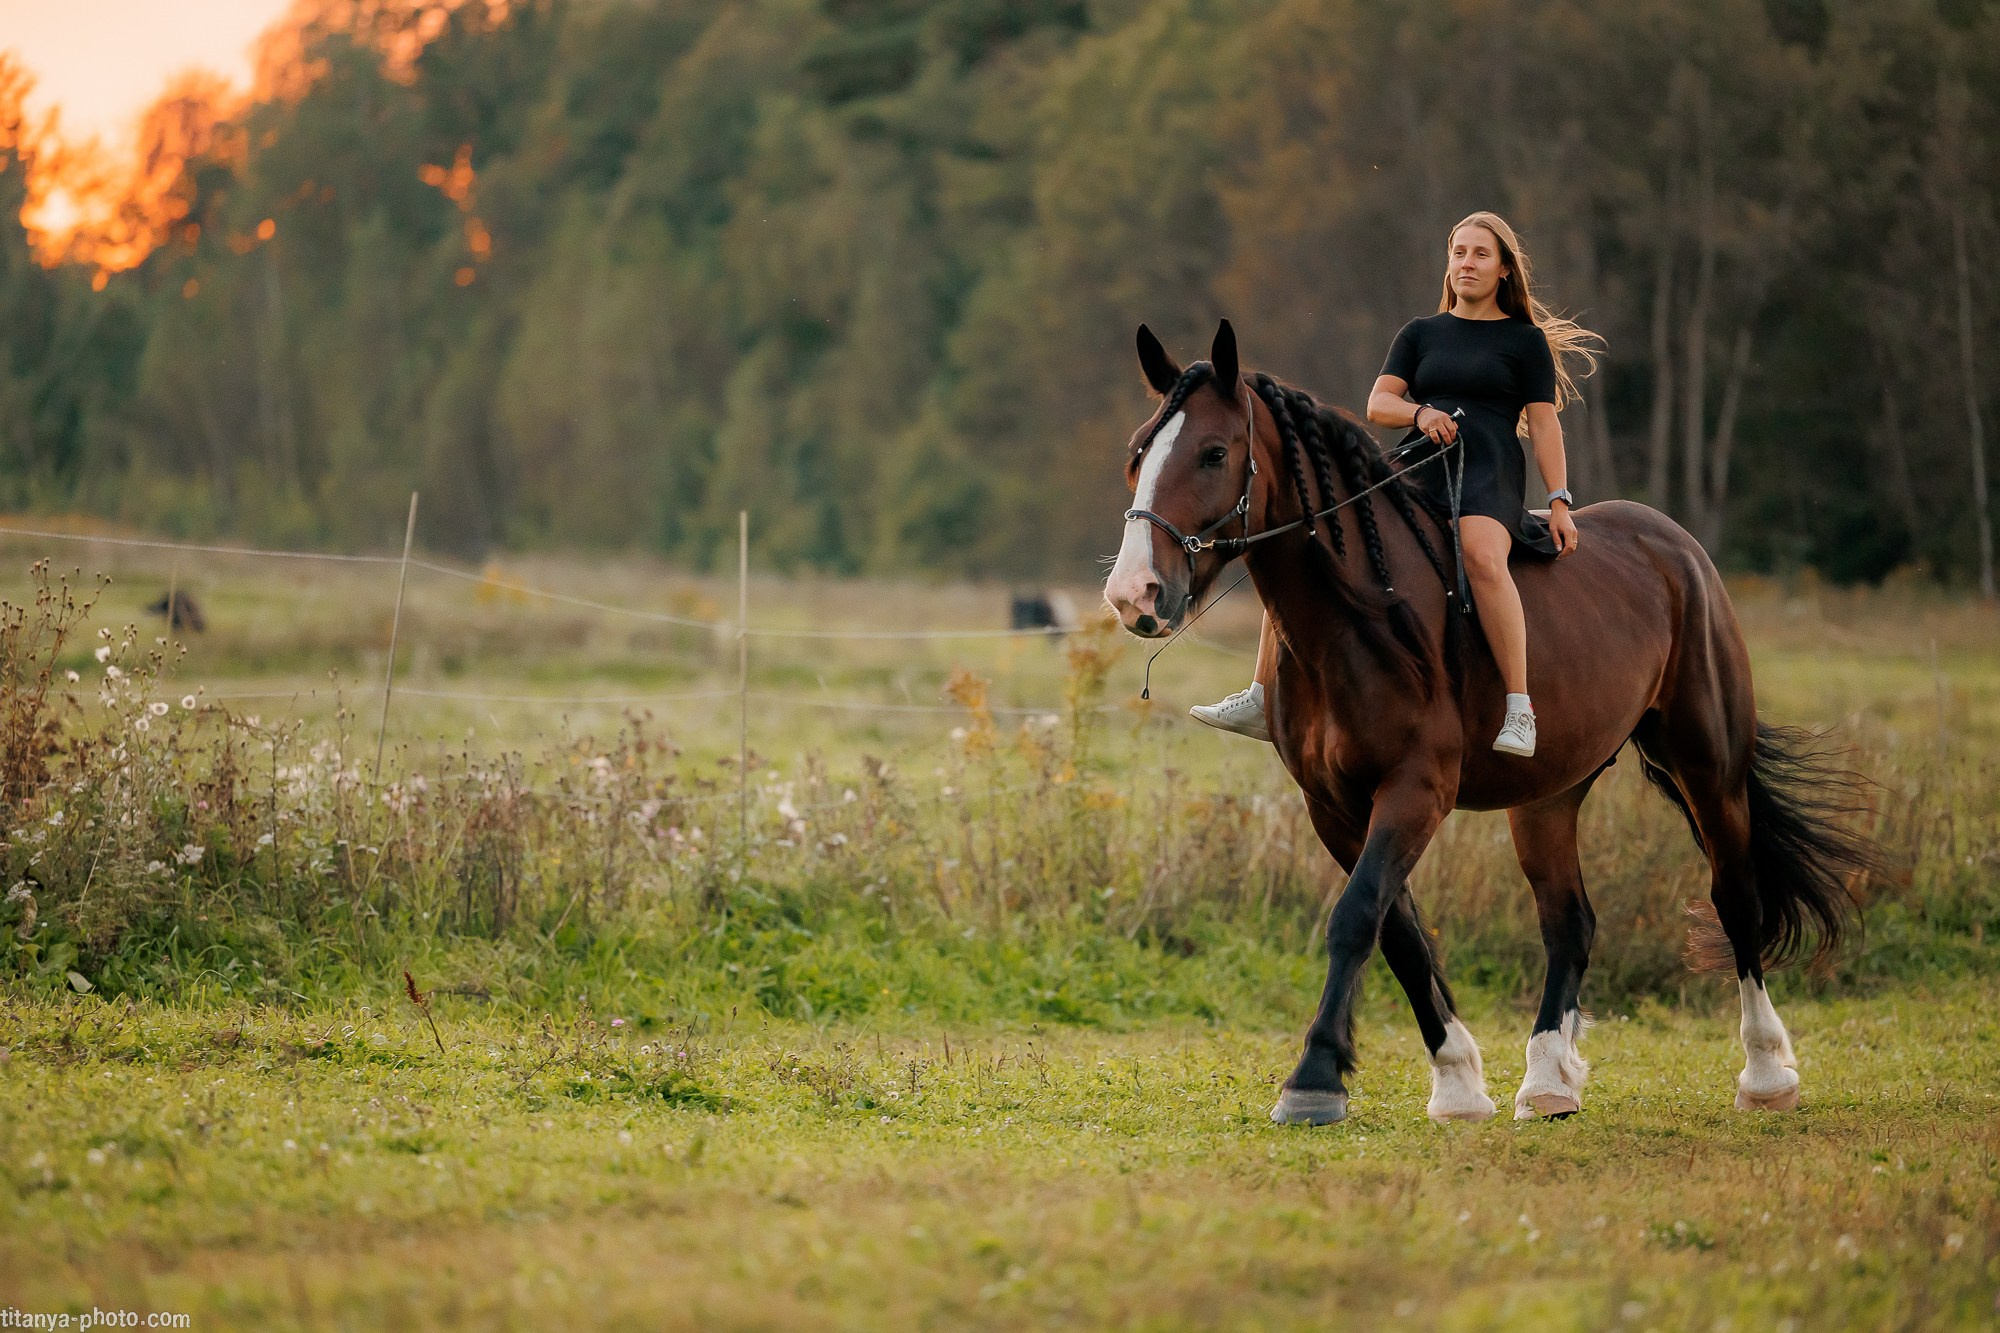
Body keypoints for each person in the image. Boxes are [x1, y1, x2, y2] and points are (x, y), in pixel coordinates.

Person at [1190, 210, 1601, 757]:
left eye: (1481, 254)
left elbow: (1545, 425)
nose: (1467, 263)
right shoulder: (1420, 333)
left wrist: (1559, 501)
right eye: (1459, 252)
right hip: (1417, 462)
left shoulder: (1524, 341)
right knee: (1310, 542)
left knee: (1481, 554)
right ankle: (1260, 694)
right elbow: (1379, 403)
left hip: (1488, 470)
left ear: (1504, 269)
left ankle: (1519, 708)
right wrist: (1420, 413)